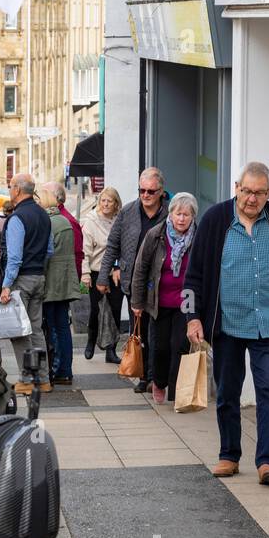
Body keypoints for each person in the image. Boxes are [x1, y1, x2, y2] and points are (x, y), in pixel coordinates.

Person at [184, 162, 269, 485]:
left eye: (259, 193)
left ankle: (267, 461)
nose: (252, 199)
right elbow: (193, 275)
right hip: (227, 325)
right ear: (236, 188)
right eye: (246, 191)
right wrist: (192, 317)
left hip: (268, 324)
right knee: (228, 392)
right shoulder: (215, 219)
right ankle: (229, 454)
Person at [97, 166, 167, 394]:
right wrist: (103, 276)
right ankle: (145, 376)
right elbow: (112, 246)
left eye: (151, 191)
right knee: (139, 331)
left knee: (158, 333)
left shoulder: (169, 213)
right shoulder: (127, 212)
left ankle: (158, 376)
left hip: (161, 282)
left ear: (161, 191)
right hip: (133, 281)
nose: (146, 195)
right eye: (142, 190)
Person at [131, 193, 197, 404]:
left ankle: (177, 391)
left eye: (186, 215)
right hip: (159, 301)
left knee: (180, 345)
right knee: (160, 347)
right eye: (178, 214)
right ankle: (159, 382)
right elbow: (141, 269)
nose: (182, 219)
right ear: (171, 214)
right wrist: (137, 302)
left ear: (193, 216)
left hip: (186, 302)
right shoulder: (156, 234)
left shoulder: (198, 237)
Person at [0, 174, 52, 390]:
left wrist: (6, 285)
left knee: (18, 332)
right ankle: (43, 380)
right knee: (36, 330)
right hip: (39, 276)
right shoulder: (44, 214)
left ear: (18, 190)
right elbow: (50, 250)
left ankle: (27, 380)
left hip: (21, 279)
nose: (9, 190)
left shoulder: (17, 218)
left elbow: (14, 257)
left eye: (10, 186)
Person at [40, 187, 83, 387]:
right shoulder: (65, 221)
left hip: (51, 281)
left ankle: (57, 369)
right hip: (64, 280)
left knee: (52, 327)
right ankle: (65, 370)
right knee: (63, 326)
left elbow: (46, 255)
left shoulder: (48, 223)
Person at [81, 187, 122, 364]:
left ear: (116, 204)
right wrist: (85, 273)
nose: (105, 204)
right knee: (96, 310)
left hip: (116, 273)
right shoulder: (91, 221)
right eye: (103, 200)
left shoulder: (120, 221)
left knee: (115, 311)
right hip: (97, 272)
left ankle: (111, 350)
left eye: (109, 201)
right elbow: (85, 251)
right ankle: (91, 340)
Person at [44, 182, 83, 278]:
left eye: (44, 194)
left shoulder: (68, 221)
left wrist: (73, 281)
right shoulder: (49, 217)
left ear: (55, 198)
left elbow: (77, 254)